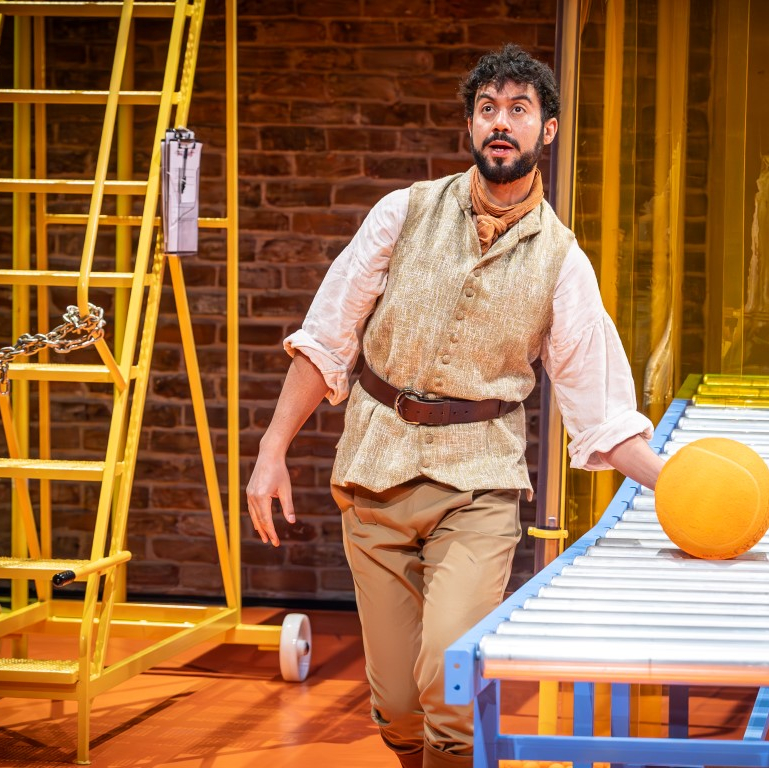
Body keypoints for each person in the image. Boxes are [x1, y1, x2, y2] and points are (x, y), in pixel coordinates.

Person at [245, 44, 665, 768]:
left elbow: (597, 406)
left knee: (448, 680)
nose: (501, 123)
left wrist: (671, 480)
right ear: (472, 125)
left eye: (519, 110)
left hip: (480, 488)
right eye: (487, 109)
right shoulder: (401, 213)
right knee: (401, 709)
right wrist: (270, 452)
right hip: (375, 473)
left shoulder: (562, 260)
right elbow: (326, 339)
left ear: (548, 131)